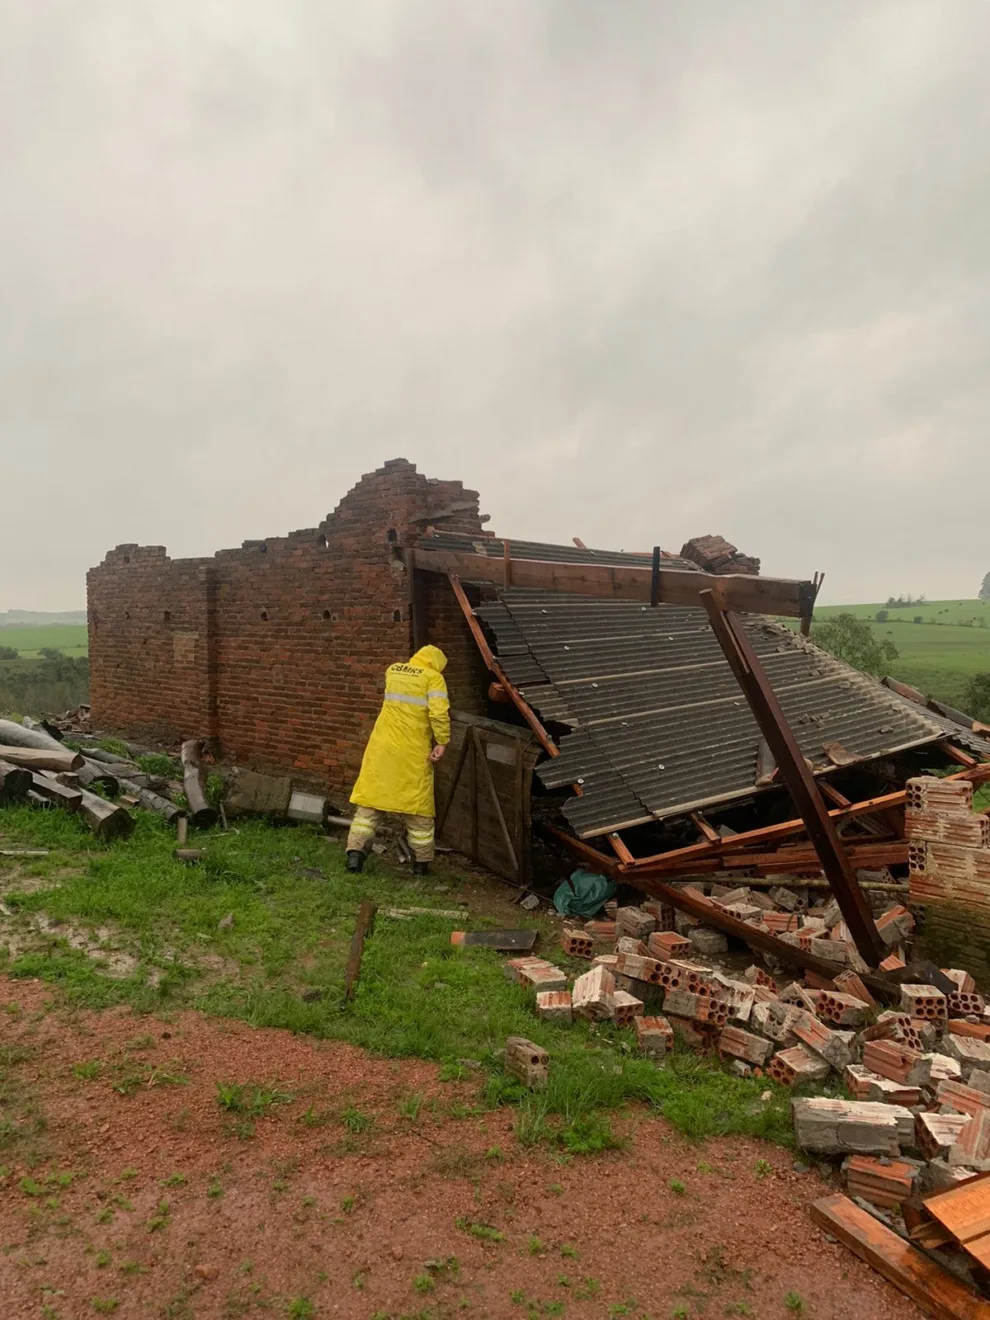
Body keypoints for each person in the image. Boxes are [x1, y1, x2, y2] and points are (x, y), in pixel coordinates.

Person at [345, 644, 450, 875]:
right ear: (438, 664)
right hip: (412, 751)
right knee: (418, 808)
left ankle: (355, 856)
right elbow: (438, 712)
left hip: (381, 747)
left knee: (370, 804)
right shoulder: (433, 679)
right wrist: (442, 741)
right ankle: (421, 865)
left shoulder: (393, 670)